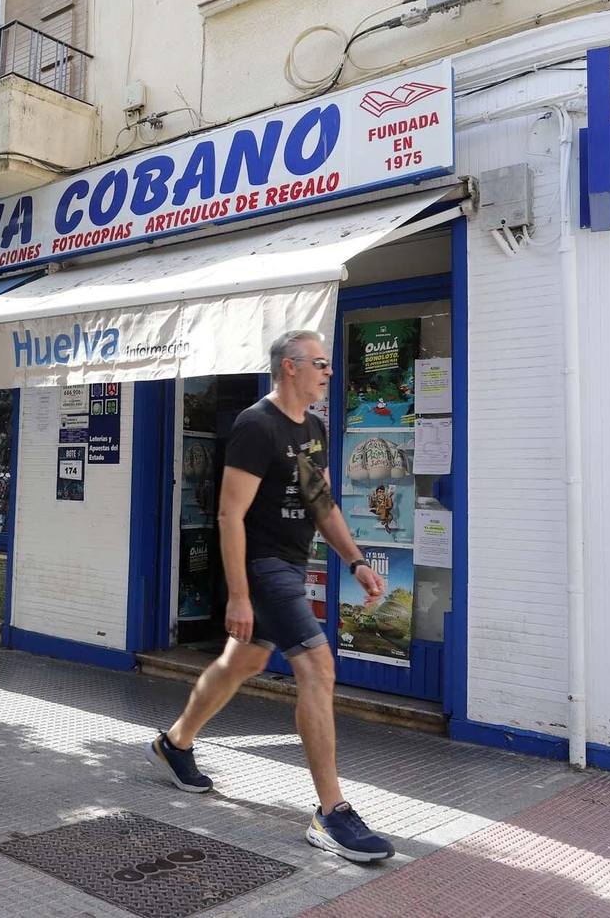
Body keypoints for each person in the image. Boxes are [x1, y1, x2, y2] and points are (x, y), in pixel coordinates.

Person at [146, 329, 396, 863]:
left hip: (289, 560)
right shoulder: (256, 426)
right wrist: (238, 594)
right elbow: (229, 514)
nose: (329, 372)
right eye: (321, 364)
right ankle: (332, 814)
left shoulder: (314, 428)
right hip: (261, 566)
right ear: (290, 367)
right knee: (318, 667)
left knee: (244, 661)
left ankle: (175, 742)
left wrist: (354, 560)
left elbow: (321, 501)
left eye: (330, 365)